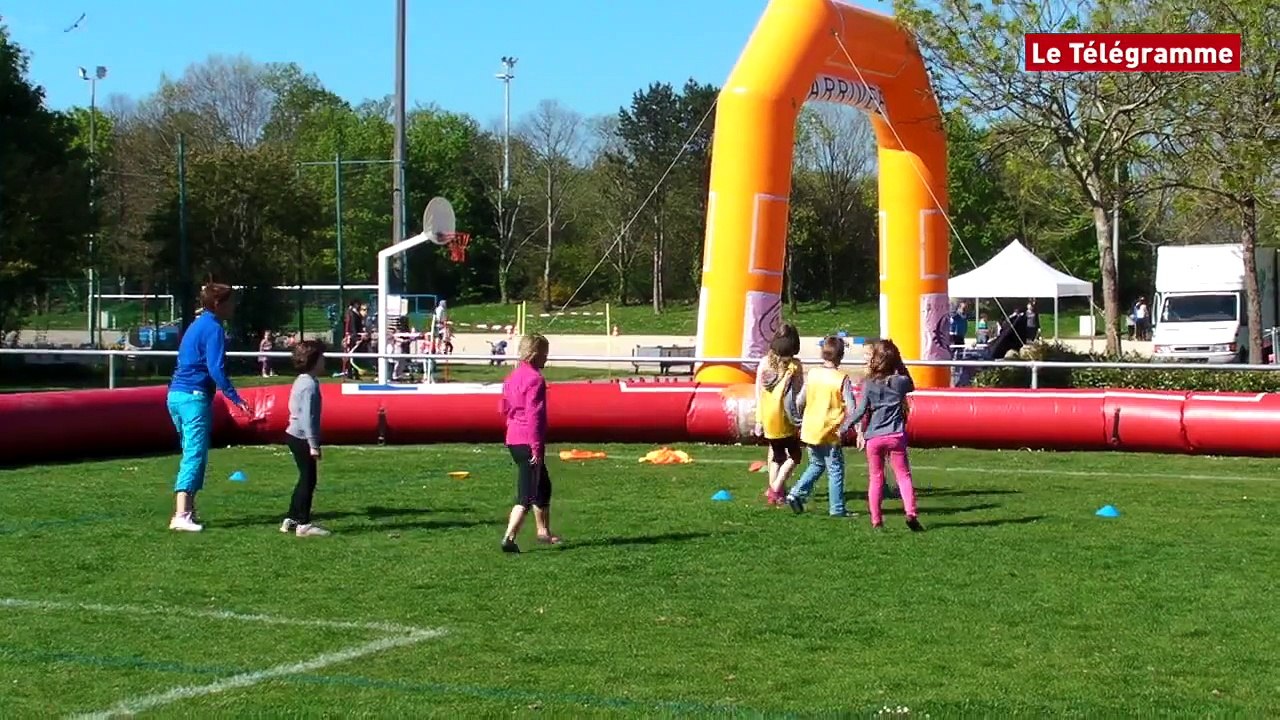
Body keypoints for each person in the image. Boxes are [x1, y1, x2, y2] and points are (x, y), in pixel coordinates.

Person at [166, 283, 249, 532]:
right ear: (217, 304)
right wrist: (235, 397)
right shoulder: (213, 328)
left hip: (176, 395)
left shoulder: (196, 325)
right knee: (194, 454)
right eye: (230, 302)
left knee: (189, 452)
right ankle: (181, 515)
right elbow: (216, 368)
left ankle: (188, 509)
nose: (234, 307)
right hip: (193, 397)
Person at [850, 339, 923, 532]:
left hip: (874, 437)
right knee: (903, 476)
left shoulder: (869, 384)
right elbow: (912, 385)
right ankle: (911, 513)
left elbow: (860, 411)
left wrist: (844, 427)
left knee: (876, 478)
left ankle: (876, 520)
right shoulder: (900, 382)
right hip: (895, 435)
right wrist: (900, 364)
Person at [499, 333, 560, 553]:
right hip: (528, 440)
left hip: (513, 438)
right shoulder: (536, 380)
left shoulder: (511, 377)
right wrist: (535, 446)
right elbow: (535, 415)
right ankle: (509, 537)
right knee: (526, 494)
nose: (546, 359)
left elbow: (503, 407)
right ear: (535, 355)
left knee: (543, 485)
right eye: (545, 354)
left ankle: (543, 531)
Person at [786, 337, 857, 517]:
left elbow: (800, 400)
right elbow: (852, 407)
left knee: (817, 464)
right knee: (835, 469)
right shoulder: (842, 378)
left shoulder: (813, 374)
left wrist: (801, 418)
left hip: (811, 427)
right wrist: (850, 427)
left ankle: (796, 493)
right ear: (840, 356)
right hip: (830, 431)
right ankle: (837, 508)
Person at [281, 340, 329, 537]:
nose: (324, 361)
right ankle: (303, 523)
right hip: (301, 436)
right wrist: (313, 444)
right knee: (309, 480)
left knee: (304, 478)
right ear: (313, 361)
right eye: (321, 358)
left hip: (294, 434)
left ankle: (291, 518)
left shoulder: (303, 380)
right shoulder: (309, 385)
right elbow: (307, 416)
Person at [754, 323, 805, 505]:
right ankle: (775, 488)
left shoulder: (764, 364)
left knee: (776, 455)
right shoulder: (794, 367)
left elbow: (758, 392)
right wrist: (801, 417)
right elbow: (799, 395)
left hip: (768, 419)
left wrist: (758, 419)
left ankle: (776, 492)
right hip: (785, 419)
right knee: (795, 456)